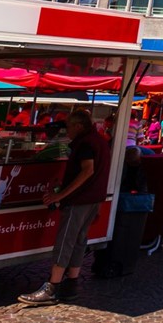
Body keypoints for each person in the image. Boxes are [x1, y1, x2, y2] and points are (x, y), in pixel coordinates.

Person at [17, 109, 112, 306]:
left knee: (66, 241)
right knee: (79, 240)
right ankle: (72, 284)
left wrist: (60, 195)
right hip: (93, 199)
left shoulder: (86, 143)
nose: (67, 131)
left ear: (78, 126)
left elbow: (88, 170)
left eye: (68, 126)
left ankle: (53, 286)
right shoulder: (99, 141)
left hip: (80, 200)